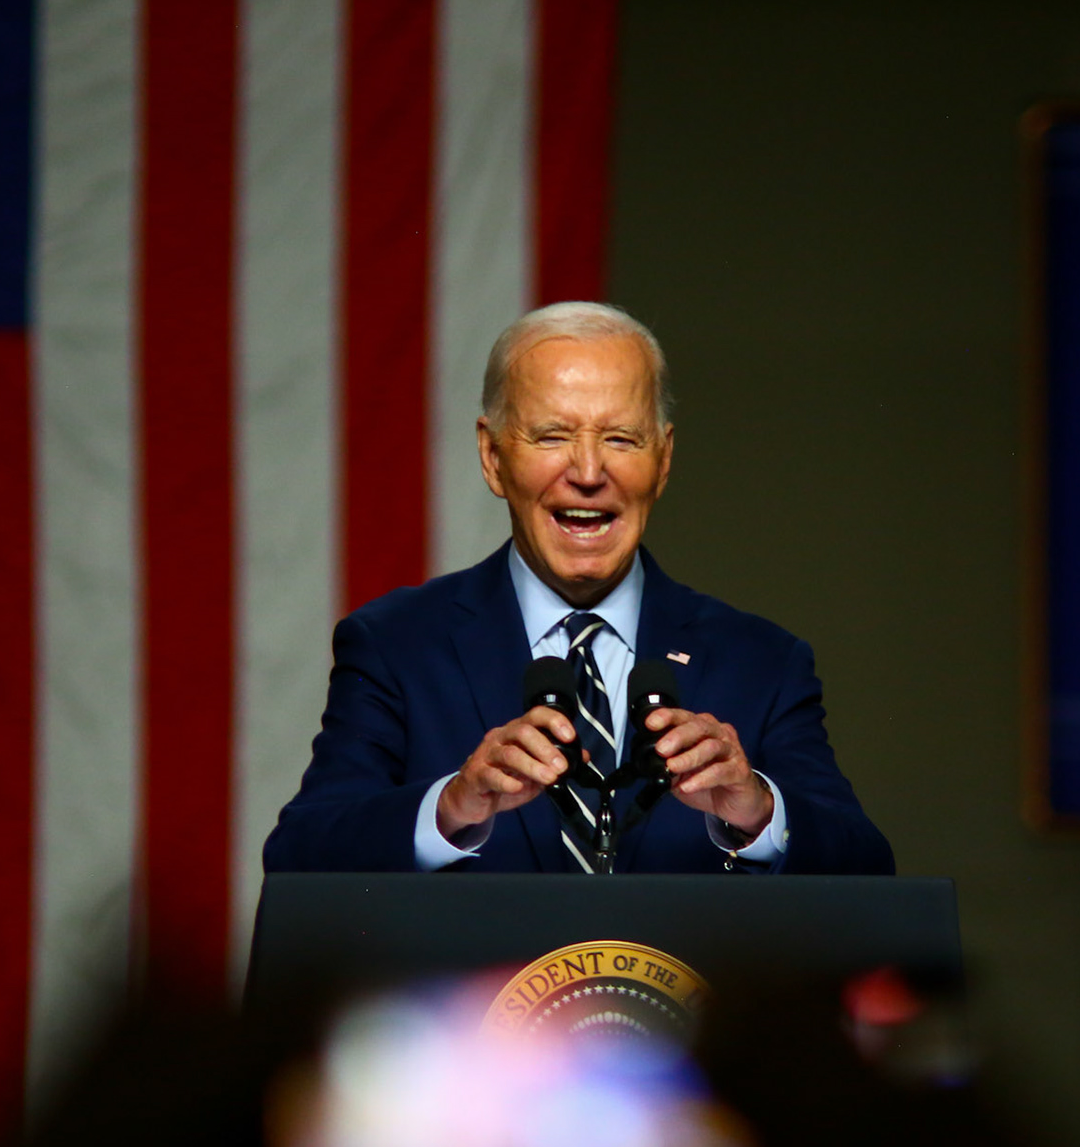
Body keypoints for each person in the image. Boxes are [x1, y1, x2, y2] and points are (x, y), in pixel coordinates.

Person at [262, 302, 890, 874]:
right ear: (492, 457)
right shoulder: (396, 646)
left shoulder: (762, 663)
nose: (588, 473)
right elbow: (301, 857)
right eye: (552, 436)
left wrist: (758, 812)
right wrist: (450, 808)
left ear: (663, 460)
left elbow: (866, 870)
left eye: (621, 438)